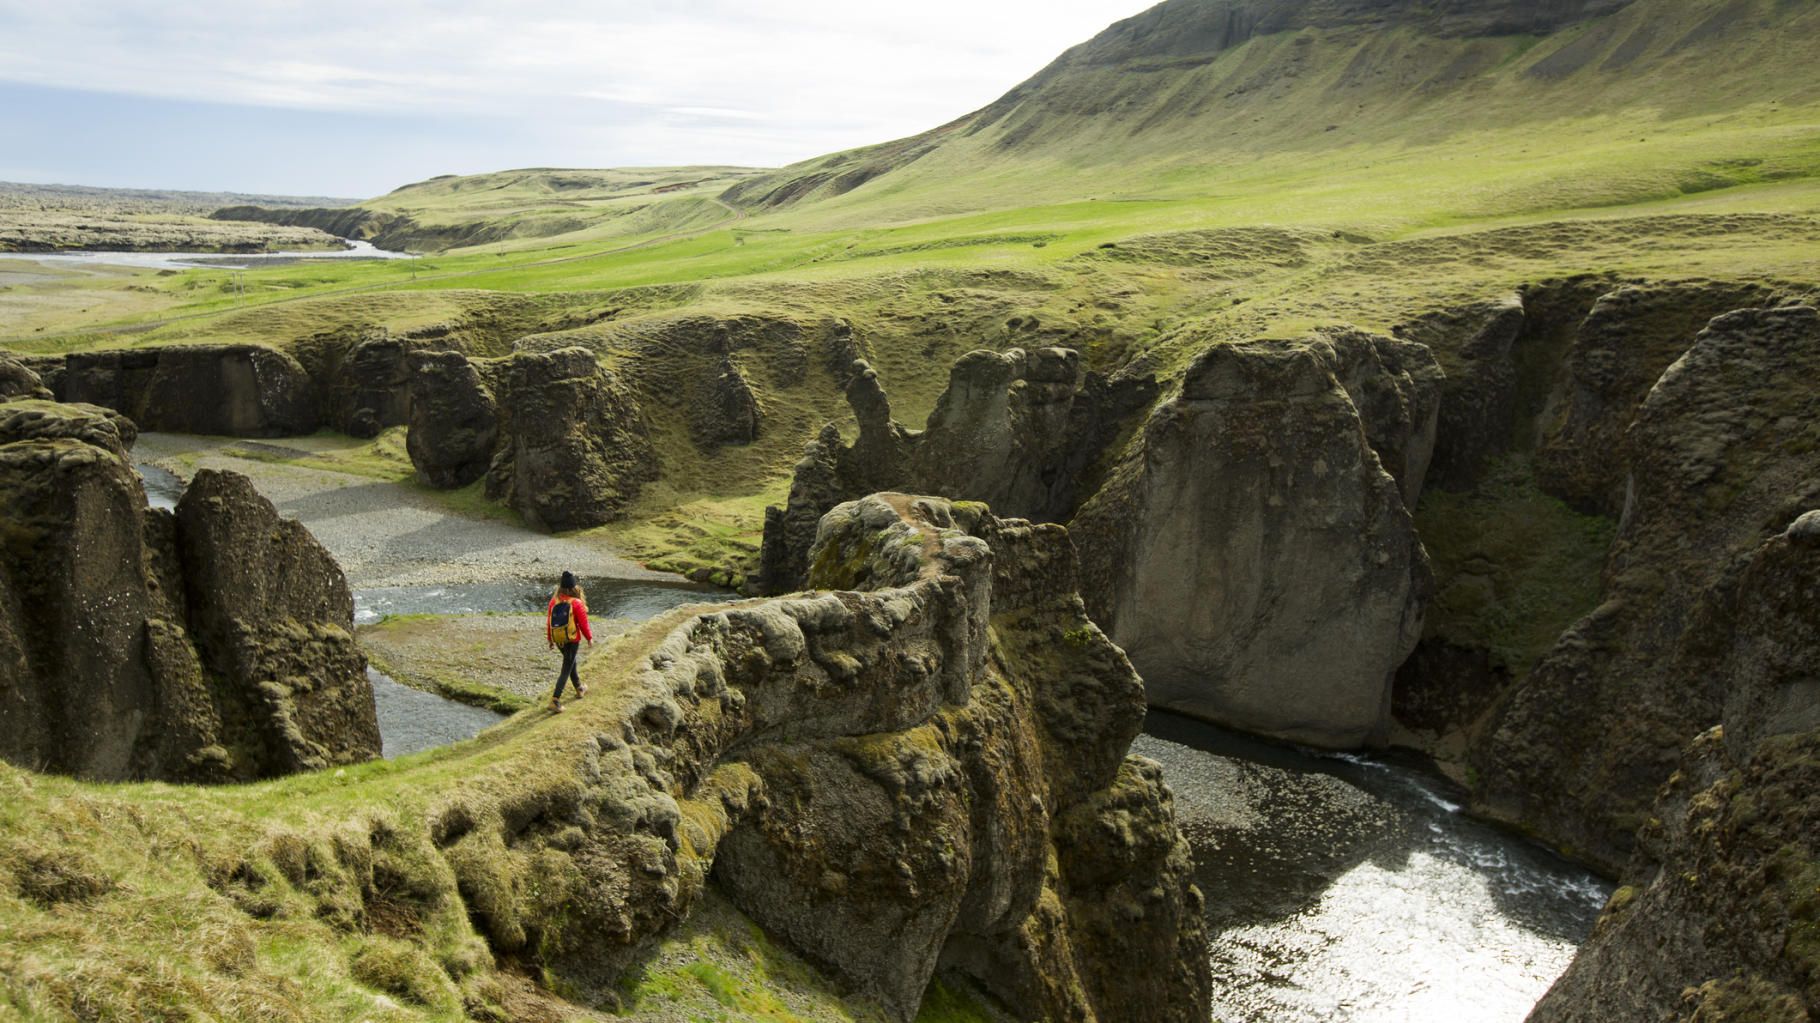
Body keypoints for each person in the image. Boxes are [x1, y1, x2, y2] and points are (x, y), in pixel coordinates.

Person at [546, 570, 592, 712]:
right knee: (566, 668)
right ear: (574, 587)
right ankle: (555, 700)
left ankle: (579, 688)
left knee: (571, 662)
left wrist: (550, 639)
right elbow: (583, 624)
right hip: (572, 639)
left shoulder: (554, 601)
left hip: (559, 639)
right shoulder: (576, 603)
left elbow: (549, 622)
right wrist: (589, 638)